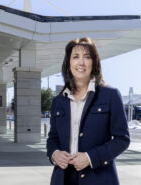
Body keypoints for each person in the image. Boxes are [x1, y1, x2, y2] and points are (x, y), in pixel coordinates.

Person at [46, 37, 130, 185]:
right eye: (76, 57)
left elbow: (122, 139)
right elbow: (53, 138)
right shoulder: (58, 101)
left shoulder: (110, 95)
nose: (81, 62)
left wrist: (91, 157)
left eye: (87, 57)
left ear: (94, 63)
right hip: (63, 178)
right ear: (69, 63)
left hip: (99, 178)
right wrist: (54, 154)